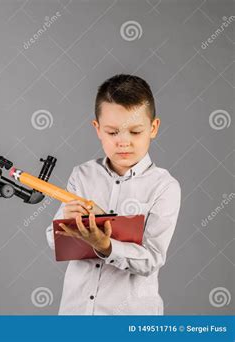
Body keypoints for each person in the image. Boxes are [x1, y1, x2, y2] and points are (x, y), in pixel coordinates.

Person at [46, 74, 181, 315]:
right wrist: (66, 223)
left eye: (135, 132)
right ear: (97, 129)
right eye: (112, 132)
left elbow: (152, 259)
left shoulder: (164, 187)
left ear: (153, 128)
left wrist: (106, 245)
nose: (123, 142)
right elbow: (52, 240)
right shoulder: (83, 175)